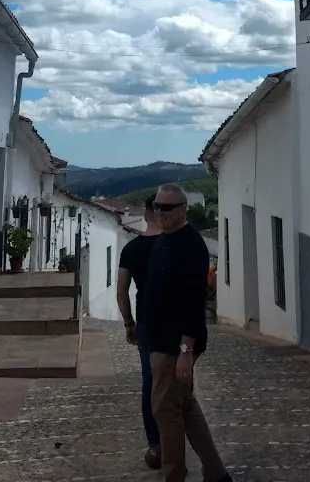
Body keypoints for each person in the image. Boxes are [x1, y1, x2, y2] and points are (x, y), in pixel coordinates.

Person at [144, 184, 231, 482]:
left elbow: (193, 303)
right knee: (185, 407)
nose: (159, 212)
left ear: (182, 209)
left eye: (166, 208)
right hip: (161, 341)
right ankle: (216, 473)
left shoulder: (191, 246)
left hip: (174, 346)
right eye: (157, 206)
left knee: (165, 412)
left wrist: (185, 351)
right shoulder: (166, 239)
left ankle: (174, 475)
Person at [117, 193, 163, 470]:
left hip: (145, 324)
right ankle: (177, 444)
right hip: (176, 326)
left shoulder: (131, 250)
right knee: (179, 385)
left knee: (150, 383)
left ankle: (156, 446)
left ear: (145, 214)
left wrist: (128, 323)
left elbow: (122, 292)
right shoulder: (174, 245)